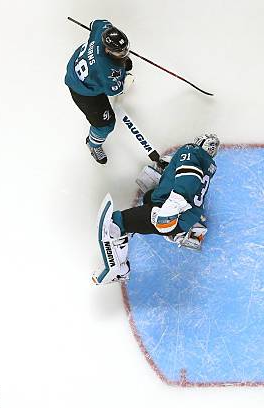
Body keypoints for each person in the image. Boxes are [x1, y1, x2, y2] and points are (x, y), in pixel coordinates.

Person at [92, 134, 220, 285]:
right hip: (188, 216)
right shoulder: (206, 165)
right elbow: (189, 174)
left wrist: (171, 209)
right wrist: (171, 166)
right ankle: (182, 232)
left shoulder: (191, 151)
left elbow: (188, 179)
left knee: (115, 223)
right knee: (149, 197)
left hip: (173, 216)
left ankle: (119, 271)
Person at [65, 19, 134, 164]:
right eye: (119, 52)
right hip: (83, 91)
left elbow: (95, 23)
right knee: (106, 124)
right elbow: (114, 90)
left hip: (78, 68)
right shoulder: (108, 69)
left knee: (115, 66)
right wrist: (125, 79)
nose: (124, 53)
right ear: (108, 50)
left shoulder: (103, 30)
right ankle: (93, 144)